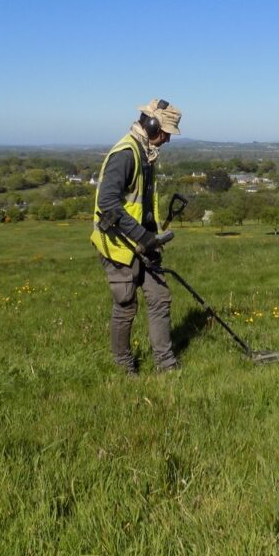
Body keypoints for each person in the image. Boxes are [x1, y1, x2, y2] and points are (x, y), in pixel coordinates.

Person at [91, 98, 182, 374]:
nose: (167, 139)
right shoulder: (126, 154)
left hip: (144, 242)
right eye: (166, 132)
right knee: (126, 305)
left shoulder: (147, 154)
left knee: (159, 298)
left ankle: (166, 365)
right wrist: (142, 236)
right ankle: (123, 368)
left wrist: (153, 236)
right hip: (118, 244)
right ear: (153, 125)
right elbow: (107, 203)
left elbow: (140, 204)